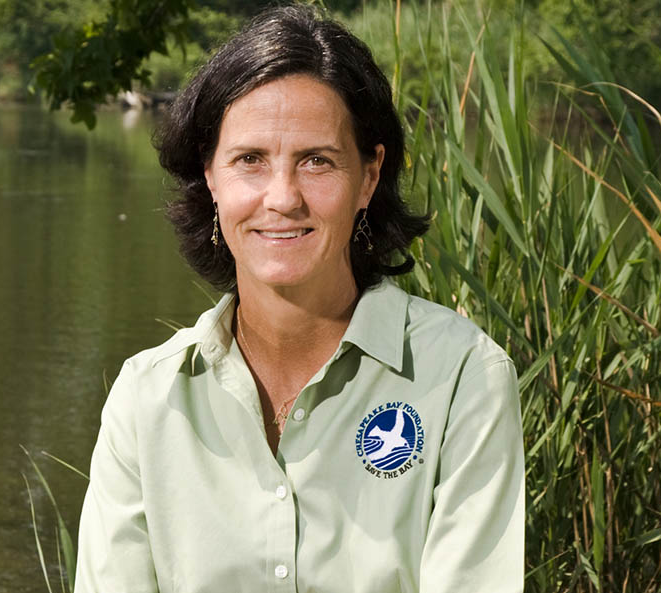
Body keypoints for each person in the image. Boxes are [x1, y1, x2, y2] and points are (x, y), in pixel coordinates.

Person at [74, 5, 524, 592]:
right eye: (249, 160)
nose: (282, 197)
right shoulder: (145, 398)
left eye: (317, 161)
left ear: (368, 176)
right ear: (210, 174)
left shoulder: (464, 378)